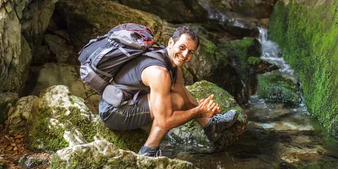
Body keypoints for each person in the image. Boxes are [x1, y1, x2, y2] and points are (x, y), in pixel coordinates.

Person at [98, 25, 237, 157]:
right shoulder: (159, 73)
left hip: (124, 100)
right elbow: (164, 121)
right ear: (171, 42)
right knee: (175, 101)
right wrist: (198, 111)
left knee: (179, 95)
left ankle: (210, 126)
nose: (185, 55)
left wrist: (205, 111)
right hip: (113, 111)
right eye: (182, 48)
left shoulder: (171, 64)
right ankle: (148, 151)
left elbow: (182, 92)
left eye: (190, 52)